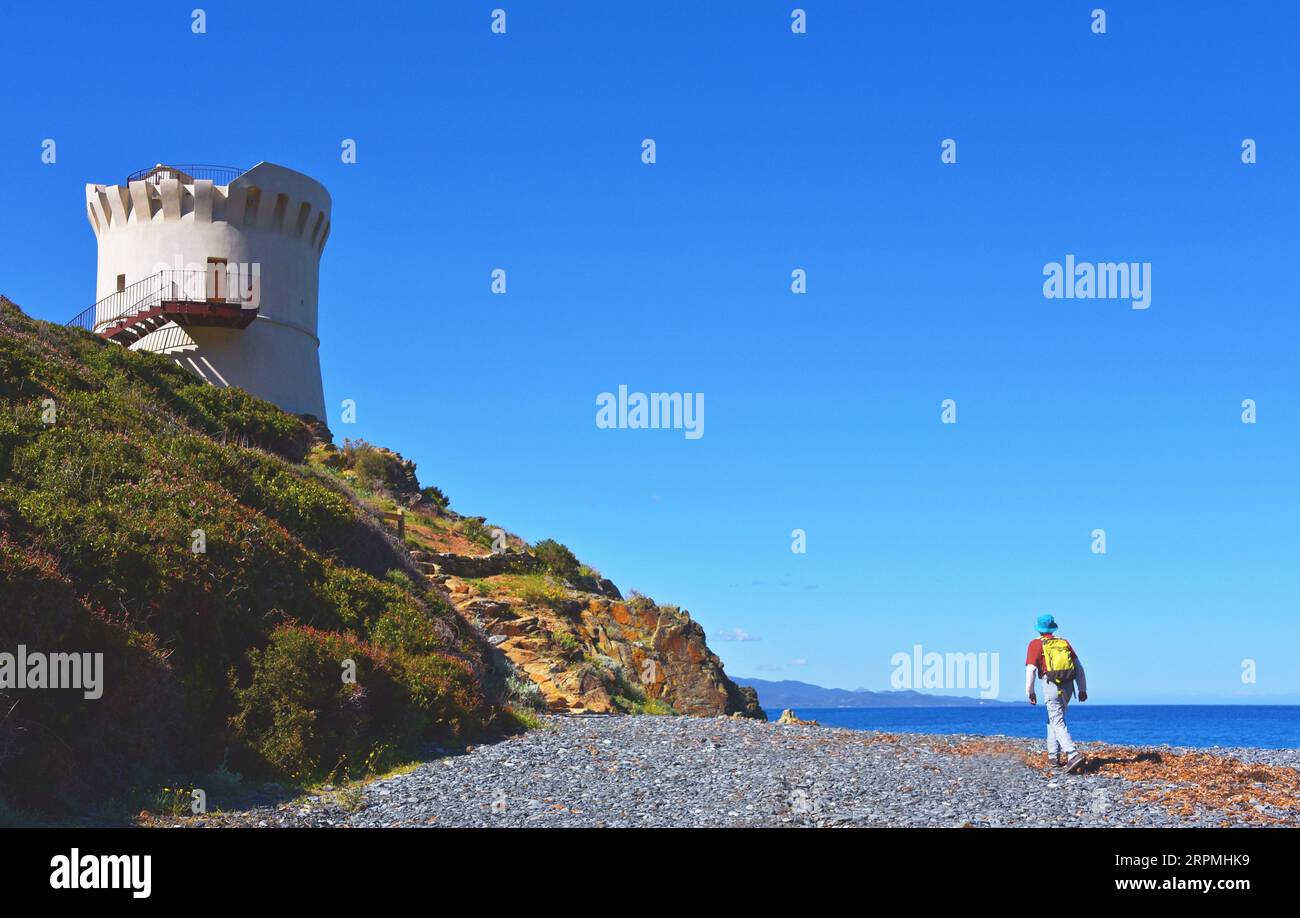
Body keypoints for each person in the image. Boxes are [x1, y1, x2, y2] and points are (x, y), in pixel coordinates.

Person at [1025, 614, 1087, 773]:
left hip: (1051, 685)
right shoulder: (1063, 643)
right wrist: (1082, 689)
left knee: (1057, 720)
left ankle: (1072, 754)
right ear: (1053, 627)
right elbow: (1079, 667)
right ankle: (1053, 757)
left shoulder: (1035, 644)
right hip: (1068, 687)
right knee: (1053, 719)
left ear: (1038, 629)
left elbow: (1031, 670)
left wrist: (1030, 692)